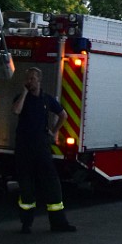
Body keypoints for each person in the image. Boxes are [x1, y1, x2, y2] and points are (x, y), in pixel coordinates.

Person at [12, 67, 76, 234]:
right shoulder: (21, 98)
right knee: (26, 188)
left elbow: (64, 115)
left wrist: (54, 132)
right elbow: (16, 110)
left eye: (32, 78)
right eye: (28, 78)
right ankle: (26, 223)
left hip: (41, 148)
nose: (29, 81)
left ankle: (58, 223)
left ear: (39, 80)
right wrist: (25, 93)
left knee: (52, 185)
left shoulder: (47, 100)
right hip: (24, 149)